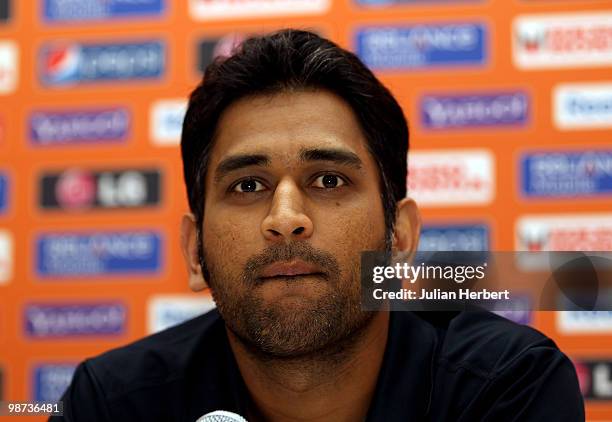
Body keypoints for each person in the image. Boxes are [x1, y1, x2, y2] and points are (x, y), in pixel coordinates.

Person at [51, 29, 584, 422]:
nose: (286, 219)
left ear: (399, 239)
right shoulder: (112, 405)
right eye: (248, 185)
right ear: (195, 252)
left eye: (328, 181)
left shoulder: (505, 388)